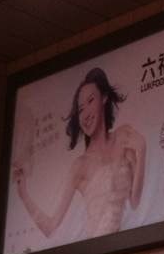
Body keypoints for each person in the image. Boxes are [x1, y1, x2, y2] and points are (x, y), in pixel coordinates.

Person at [12, 67, 146, 242]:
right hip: (96, 248)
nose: (86, 114)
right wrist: (23, 195)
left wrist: (142, 152)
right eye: (81, 109)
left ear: (104, 98)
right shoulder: (80, 165)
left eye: (90, 101)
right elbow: (50, 227)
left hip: (120, 245)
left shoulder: (123, 136)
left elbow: (134, 201)